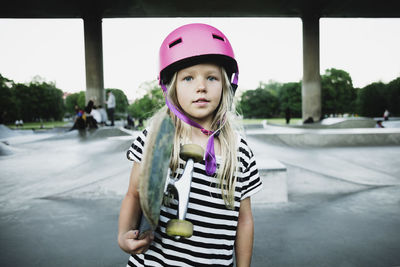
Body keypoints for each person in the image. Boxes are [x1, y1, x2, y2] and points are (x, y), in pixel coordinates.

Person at [118, 23, 262, 267]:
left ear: (227, 85)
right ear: (170, 88)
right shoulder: (155, 139)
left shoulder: (240, 152)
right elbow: (134, 193)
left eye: (212, 77)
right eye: (188, 78)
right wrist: (123, 236)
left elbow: (244, 219)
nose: (201, 87)